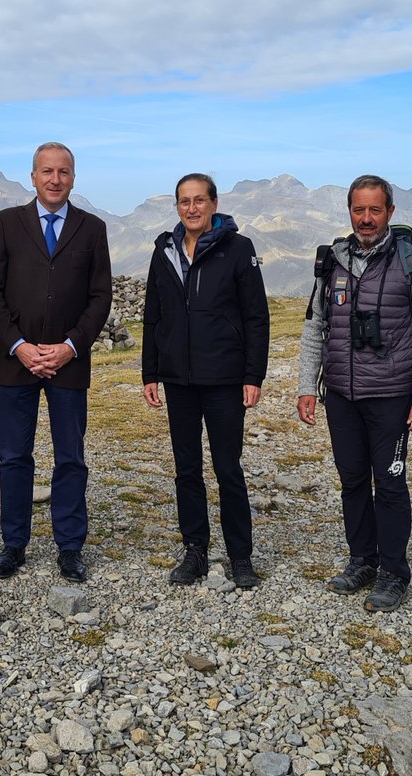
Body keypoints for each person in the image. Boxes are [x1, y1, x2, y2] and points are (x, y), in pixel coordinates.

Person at [297, 174, 412, 612]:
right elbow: (314, 326)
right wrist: (308, 386)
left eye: (374, 210)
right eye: (358, 210)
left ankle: (394, 571)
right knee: (352, 481)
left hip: (392, 396)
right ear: (350, 211)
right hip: (341, 395)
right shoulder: (333, 262)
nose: (366, 218)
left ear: (390, 213)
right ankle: (362, 559)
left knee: (392, 482)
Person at [0, 143, 111, 583]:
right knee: (14, 457)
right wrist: (18, 344)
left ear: (74, 178)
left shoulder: (92, 229)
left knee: (70, 457)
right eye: (47, 172)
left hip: (69, 363)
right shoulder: (7, 223)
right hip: (16, 361)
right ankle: (13, 544)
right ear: (32, 177)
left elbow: (100, 296)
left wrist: (71, 346)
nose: (56, 180)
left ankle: (70, 547)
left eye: (64, 172)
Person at [142, 173, 269, 590]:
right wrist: (150, 372)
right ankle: (194, 549)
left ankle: (240, 556)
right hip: (178, 379)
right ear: (177, 206)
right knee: (186, 469)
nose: (192, 208)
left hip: (224, 379)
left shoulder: (238, 248)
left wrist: (253, 374)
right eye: (184, 201)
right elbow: (153, 315)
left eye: (199, 200)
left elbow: (256, 316)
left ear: (214, 204)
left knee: (228, 468)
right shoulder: (164, 251)